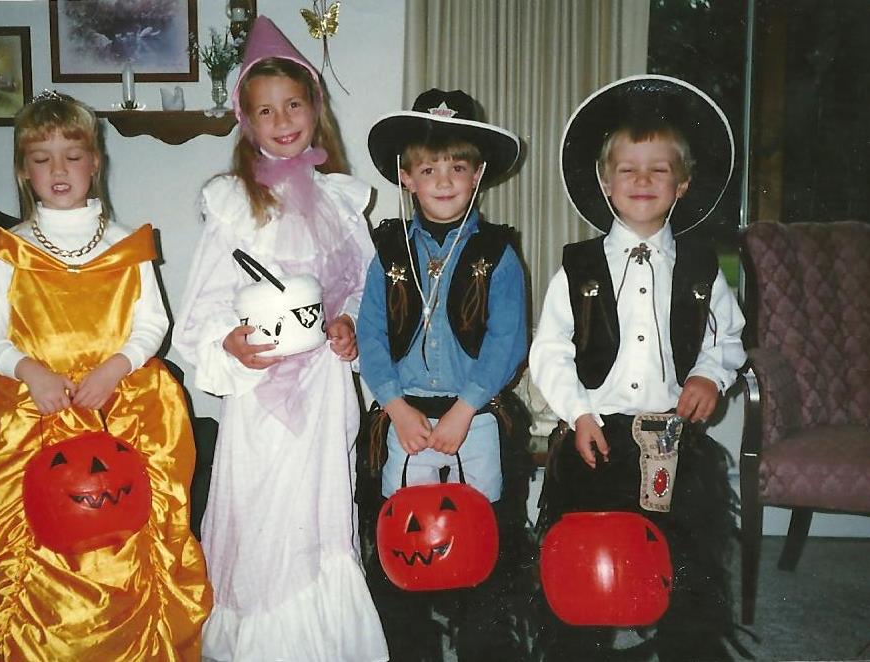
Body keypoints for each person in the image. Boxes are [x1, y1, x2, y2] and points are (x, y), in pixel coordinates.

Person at [0, 91, 211, 661]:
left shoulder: (129, 246)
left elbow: (152, 324)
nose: (58, 170)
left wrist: (114, 369)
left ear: (95, 162)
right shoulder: (10, 250)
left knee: (128, 530)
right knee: (9, 535)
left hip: (119, 401)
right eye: (42, 158)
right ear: (24, 170)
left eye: (72, 156)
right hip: (32, 407)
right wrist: (32, 373)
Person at [171, 16, 387, 662]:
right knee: (264, 521)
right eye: (265, 110)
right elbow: (199, 314)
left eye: (293, 104)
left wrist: (346, 326)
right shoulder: (236, 204)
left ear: (315, 110)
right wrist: (230, 347)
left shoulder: (339, 202)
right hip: (261, 395)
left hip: (321, 393)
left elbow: (358, 289)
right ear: (246, 122)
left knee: (320, 514)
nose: (282, 119)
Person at [529, 75, 747, 662]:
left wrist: (710, 375)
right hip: (597, 437)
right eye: (628, 169)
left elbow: (727, 337)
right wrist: (576, 414)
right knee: (588, 556)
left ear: (683, 183)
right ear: (605, 182)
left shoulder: (704, 267)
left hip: (675, 439)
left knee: (687, 556)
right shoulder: (578, 268)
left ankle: (690, 649)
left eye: (658, 169)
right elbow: (549, 350)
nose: (643, 180)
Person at [356, 88, 535, 662]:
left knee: (480, 527)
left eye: (457, 167)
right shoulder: (387, 250)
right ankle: (412, 645)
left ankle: (484, 638)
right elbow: (371, 334)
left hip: (473, 413)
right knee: (403, 530)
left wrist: (465, 409)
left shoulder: (497, 250)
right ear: (406, 176)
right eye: (428, 168)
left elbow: (509, 339)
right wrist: (395, 407)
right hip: (403, 412)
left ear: (478, 173)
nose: (443, 180)